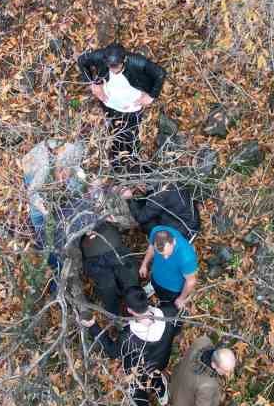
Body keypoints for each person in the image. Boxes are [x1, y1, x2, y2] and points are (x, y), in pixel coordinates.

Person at [59, 212, 140, 359]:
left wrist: (113, 219)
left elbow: (130, 221)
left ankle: (136, 314)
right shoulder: (67, 218)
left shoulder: (103, 201)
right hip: (94, 259)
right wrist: (82, 235)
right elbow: (70, 256)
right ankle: (117, 320)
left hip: (115, 250)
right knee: (107, 290)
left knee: (130, 282)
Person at [76, 42, 166, 169]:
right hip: (110, 103)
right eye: (110, 66)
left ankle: (132, 159)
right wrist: (92, 84)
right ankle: (116, 163)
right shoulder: (100, 56)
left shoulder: (136, 62)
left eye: (116, 66)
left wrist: (151, 96)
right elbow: (81, 61)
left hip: (132, 107)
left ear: (123, 60)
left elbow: (160, 73)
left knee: (131, 134)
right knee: (115, 131)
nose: (113, 69)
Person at [22, 138, 87, 273]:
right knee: (41, 225)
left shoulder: (73, 159)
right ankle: (55, 268)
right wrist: (42, 208)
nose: (63, 178)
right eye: (61, 174)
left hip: (57, 157)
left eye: (66, 175)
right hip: (32, 168)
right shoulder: (43, 168)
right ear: (58, 165)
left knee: (72, 190)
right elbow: (32, 193)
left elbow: (80, 183)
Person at [120, 286, 170, 406]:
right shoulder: (168, 314)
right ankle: (161, 390)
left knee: (136, 386)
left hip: (137, 368)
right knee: (156, 376)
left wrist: (93, 326)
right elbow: (176, 329)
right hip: (160, 361)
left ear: (130, 310)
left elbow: (112, 351)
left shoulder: (128, 335)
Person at [139, 224, 198, 327]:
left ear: (174, 242)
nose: (165, 257)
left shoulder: (186, 256)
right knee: (155, 288)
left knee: (168, 305)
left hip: (172, 289)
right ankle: (153, 290)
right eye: (161, 254)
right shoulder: (157, 231)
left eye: (168, 253)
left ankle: (171, 319)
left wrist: (181, 298)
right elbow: (151, 248)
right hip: (156, 277)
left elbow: (191, 281)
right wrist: (144, 264)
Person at [126, 179, 199, 240]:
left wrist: (130, 199)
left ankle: (163, 244)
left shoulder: (161, 195)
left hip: (184, 232)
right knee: (151, 209)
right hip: (192, 222)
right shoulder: (173, 182)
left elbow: (141, 217)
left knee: (147, 223)